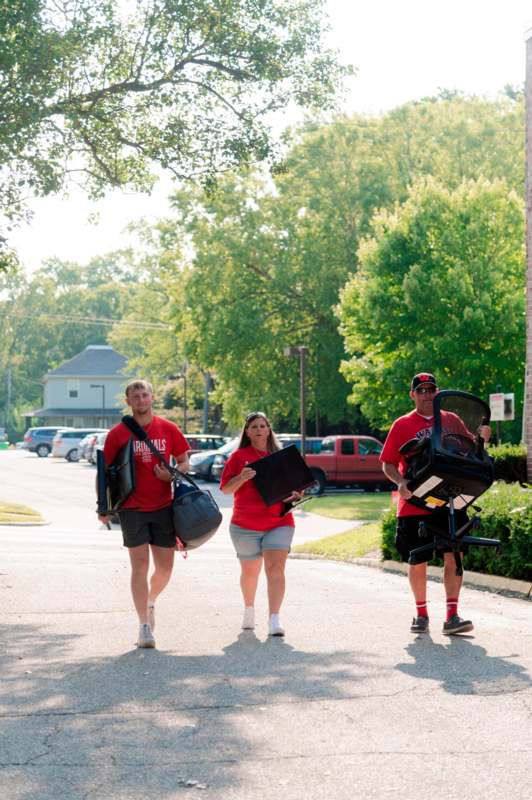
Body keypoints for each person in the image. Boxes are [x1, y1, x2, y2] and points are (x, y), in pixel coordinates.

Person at [380, 373, 491, 635]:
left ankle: (452, 616)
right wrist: (401, 483)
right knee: (417, 558)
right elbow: (386, 463)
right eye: (421, 390)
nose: (427, 394)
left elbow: (470, 451)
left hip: (449, 501)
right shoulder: (402, 424)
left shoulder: (451, 419)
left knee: (454, 554)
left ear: (438, 392)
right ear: (413, 395)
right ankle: (421, 614)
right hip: (415, 503)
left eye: (431, 390)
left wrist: (482, 438)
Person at [98, 379, 190, 648]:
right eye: (135, 396)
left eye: (144, 394)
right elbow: (105, 473)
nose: (140, 399)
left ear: (152, 398)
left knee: (165, 568)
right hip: (132, 509)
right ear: (128, 401)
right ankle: (144, 627)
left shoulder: (168, 428)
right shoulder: (118, 434)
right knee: (139, 566)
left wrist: (172, 473)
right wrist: (103, 507)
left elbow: (184, 460)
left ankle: (150, 601)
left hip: (163, 507)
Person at [220, 411, 301, 637]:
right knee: (250, 572)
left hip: (279, 521)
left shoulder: (281, 456)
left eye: (262, 425)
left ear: (268, 429)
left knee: (275, 569)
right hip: (245, 525)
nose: (258, 429)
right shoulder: (238, 457)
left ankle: (274, 618)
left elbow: (297, 487)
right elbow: (226, 489)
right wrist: (242, 477)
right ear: (247, 431)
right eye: (254, 426)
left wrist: (294, 494)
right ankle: (249, 609)